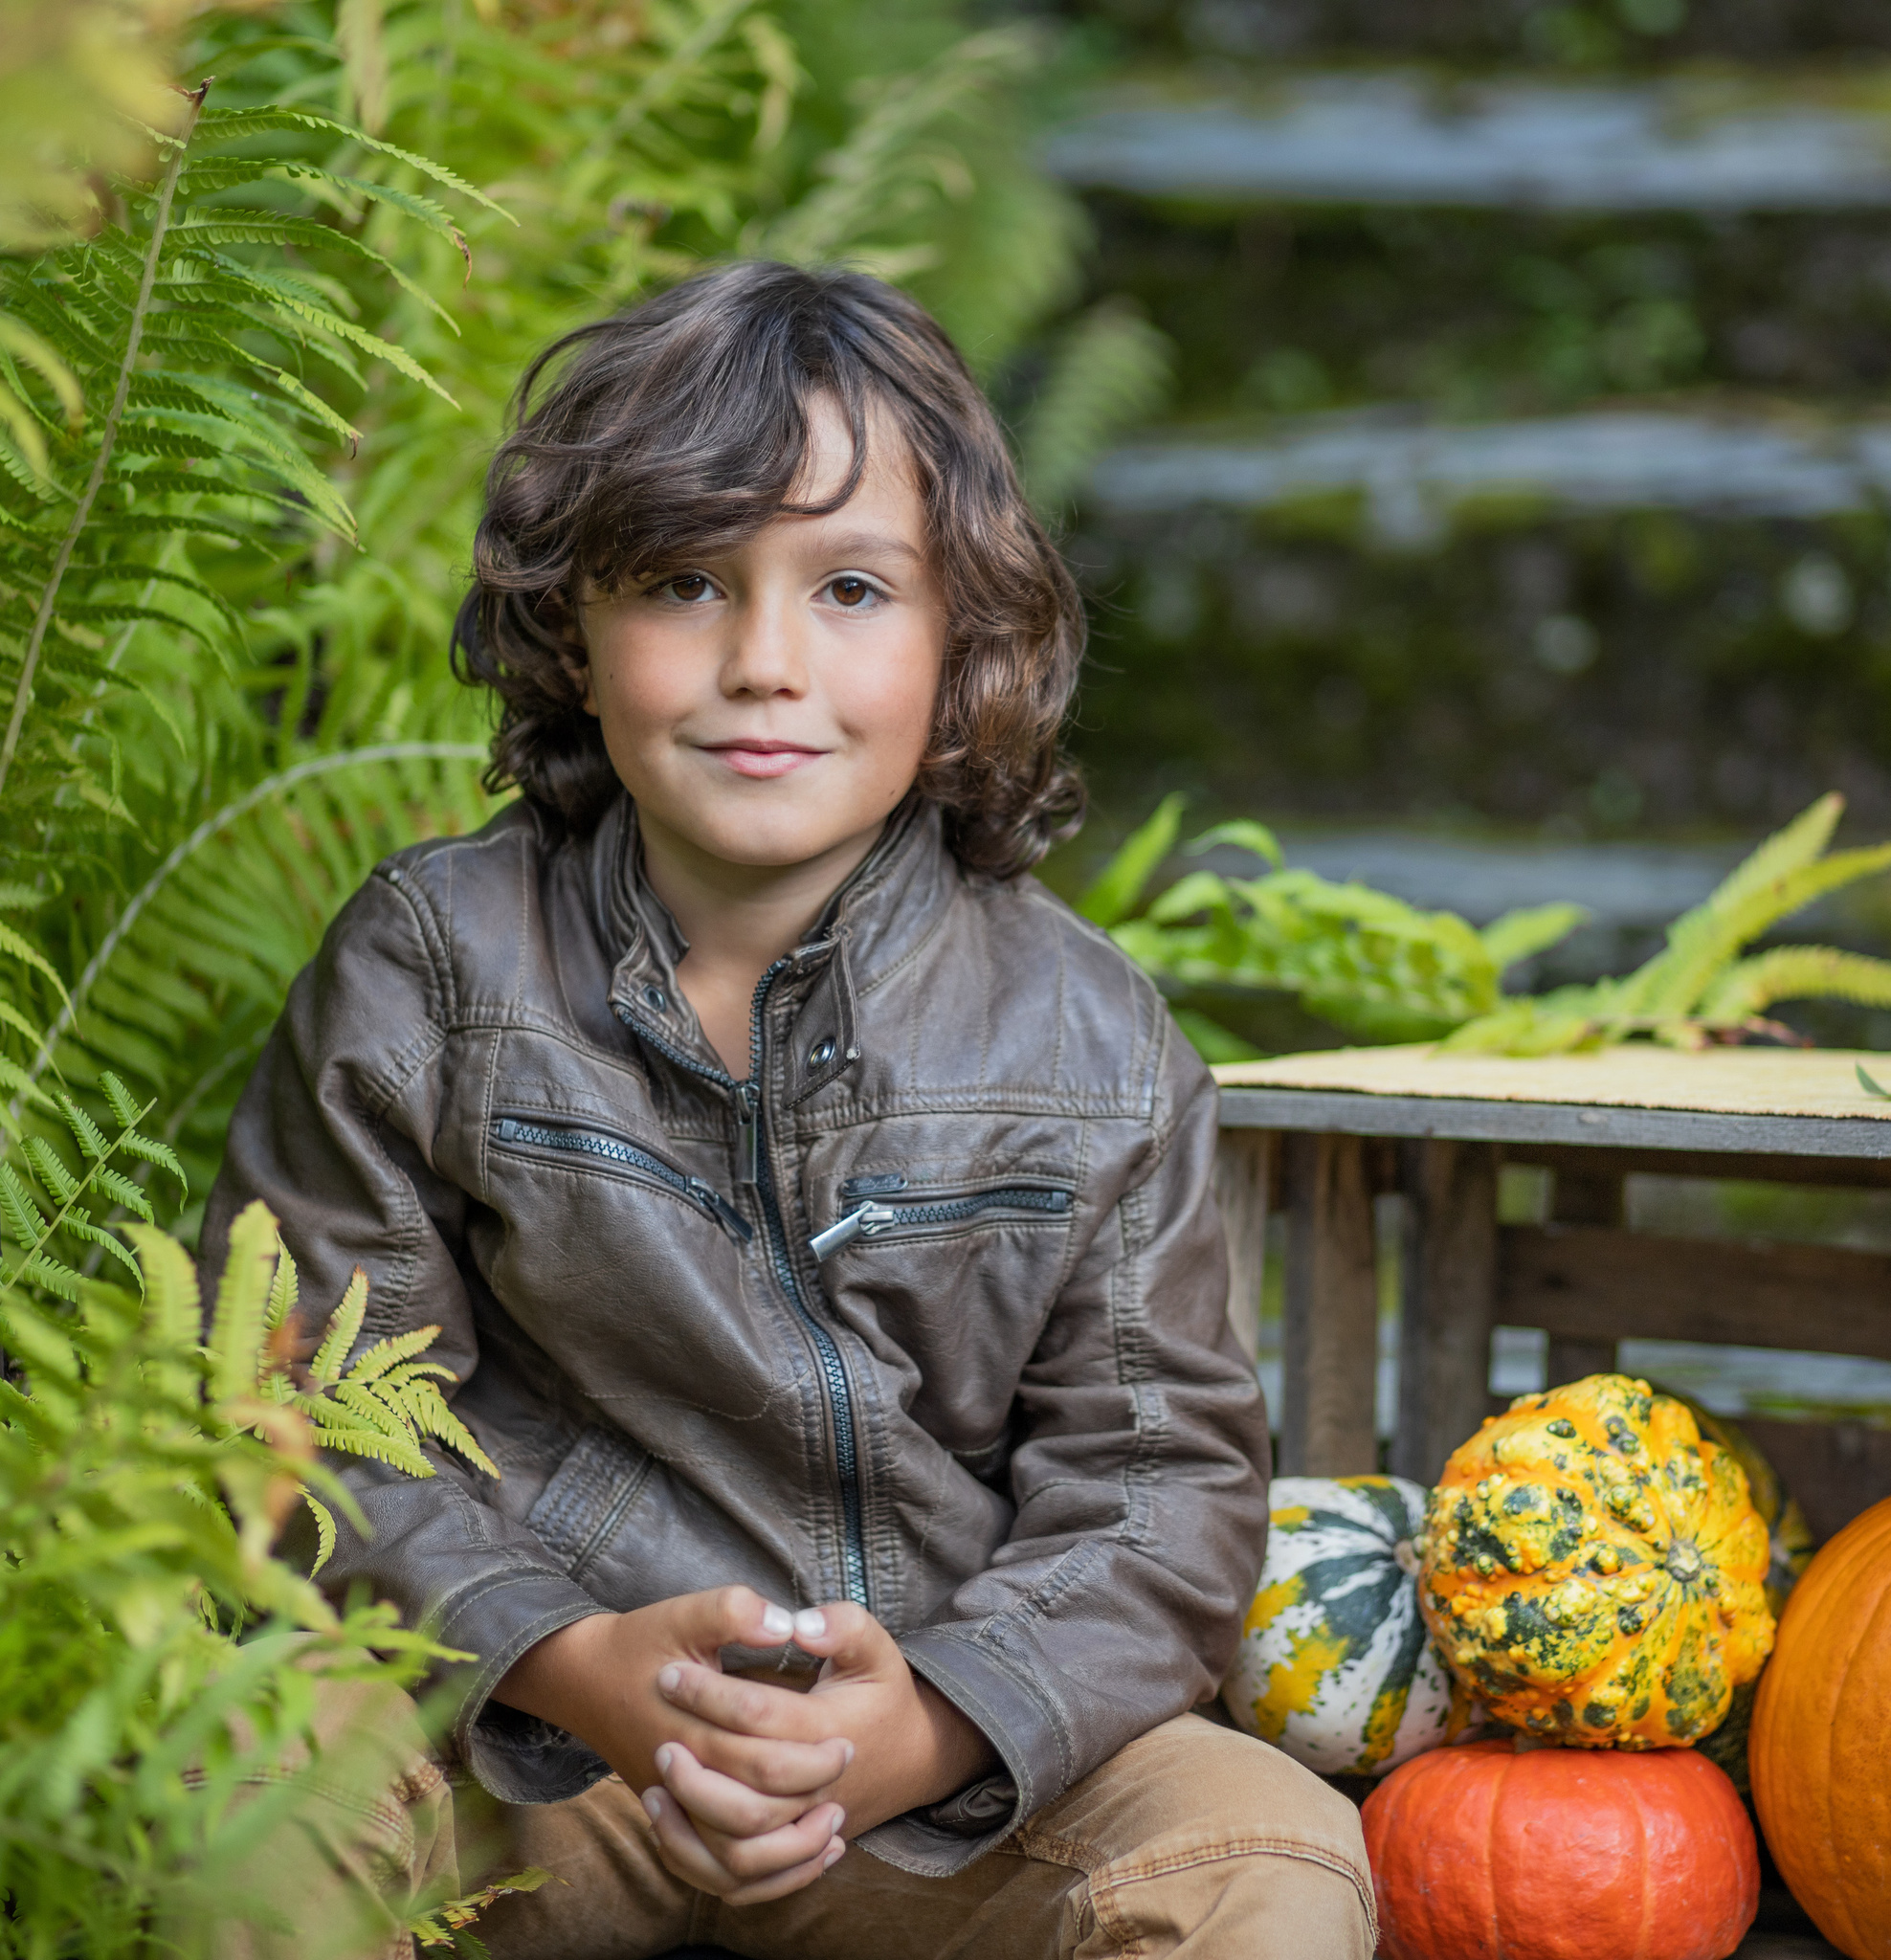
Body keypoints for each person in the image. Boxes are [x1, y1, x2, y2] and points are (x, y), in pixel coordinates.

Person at [200, 260, 1372, 1960]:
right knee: (235, 1789)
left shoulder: (1090, 1040)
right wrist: (570, 1663)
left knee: (1269, 1860)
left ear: (964, 641)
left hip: (934, 1791)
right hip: (529, 1749)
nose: (764, 662)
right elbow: (305, 1410)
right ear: (574, 627)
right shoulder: (437, 967)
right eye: (686, 582)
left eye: (851, 589)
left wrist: (936, 1724)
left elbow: (1158, 1491)